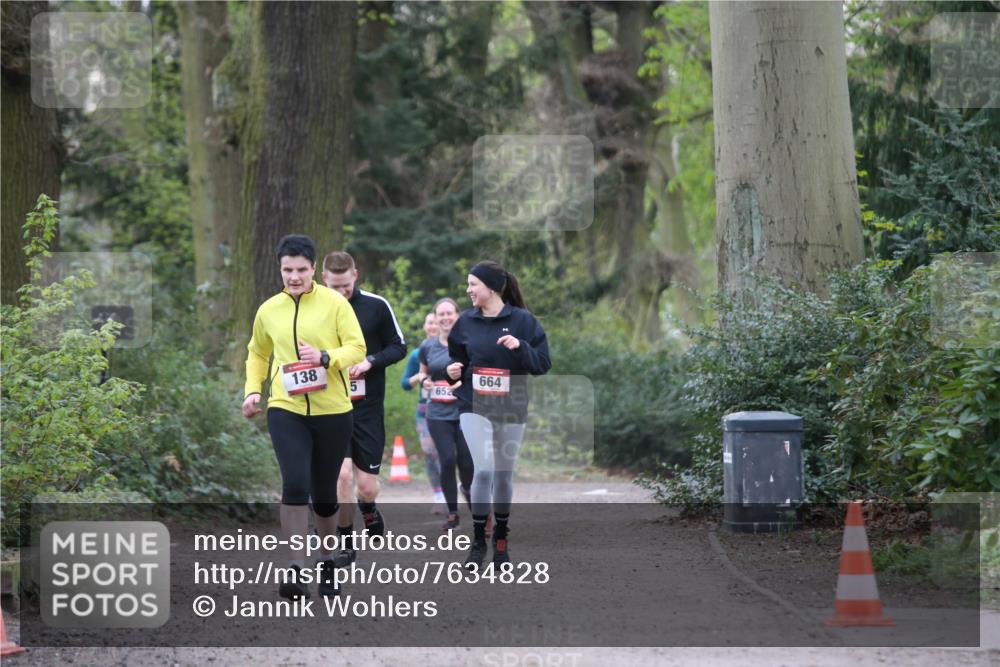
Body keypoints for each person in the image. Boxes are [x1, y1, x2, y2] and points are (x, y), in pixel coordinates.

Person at [242, 234, 366, 599]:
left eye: (301, 269)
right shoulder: (268, 310)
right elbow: (257, 353)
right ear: (279, 269)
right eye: (287, 270)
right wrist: (253, 389)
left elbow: (357, 347)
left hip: (333, 410)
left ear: (314, 269)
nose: (294, 276)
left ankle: (326, 562)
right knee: (295, 484)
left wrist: (326, 358)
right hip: (287, 407)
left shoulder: (335, 304)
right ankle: (296, 567)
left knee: (325, 495)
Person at [447, 261, 551, 569]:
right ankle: (478, 541)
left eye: (472, 284)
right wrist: (452, 370)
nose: (468, 290)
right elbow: (456, 361)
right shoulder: (465, 322)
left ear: (490, 288)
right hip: (473, 404)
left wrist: (520, 346)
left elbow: (542, 364)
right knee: (484, 469)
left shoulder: (523, 322)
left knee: (503, 474)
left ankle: (501, 539)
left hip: (511, 405)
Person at [321, 251, 407, 565]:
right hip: (331, 406)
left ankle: (368, 507)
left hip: (367, 408)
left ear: (355, 275)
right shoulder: (315, 310)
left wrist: (370, 361)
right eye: (334, 287)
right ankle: (345, 543)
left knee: (367, 487)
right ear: (323, 279)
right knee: (342, 477)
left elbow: (399, 346)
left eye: (345, 286)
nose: (340, 293)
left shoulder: (376, 306)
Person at [417, 298, 474, 531]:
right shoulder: (427, 347)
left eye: (449, 313)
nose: (445, 318)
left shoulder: (468, 343)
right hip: (438, 414)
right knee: (447, 460)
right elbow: (422, 373)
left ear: (457, 316)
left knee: (467, 464)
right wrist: (425, 382)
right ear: (436, 318)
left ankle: (471, 495)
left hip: (463, 411)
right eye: (441, 314)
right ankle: (452, 514)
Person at [400, 311, 446, 512]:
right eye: (430, 322)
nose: (433, 326)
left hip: (449, 408)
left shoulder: (453, 349)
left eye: (437, 322)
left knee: (449, 453)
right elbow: (404, 384)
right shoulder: (417, 354)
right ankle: (439, 495)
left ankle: (453, 489)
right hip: (425, 410)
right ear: (425, 326)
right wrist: (419, 377)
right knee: (430, 453)